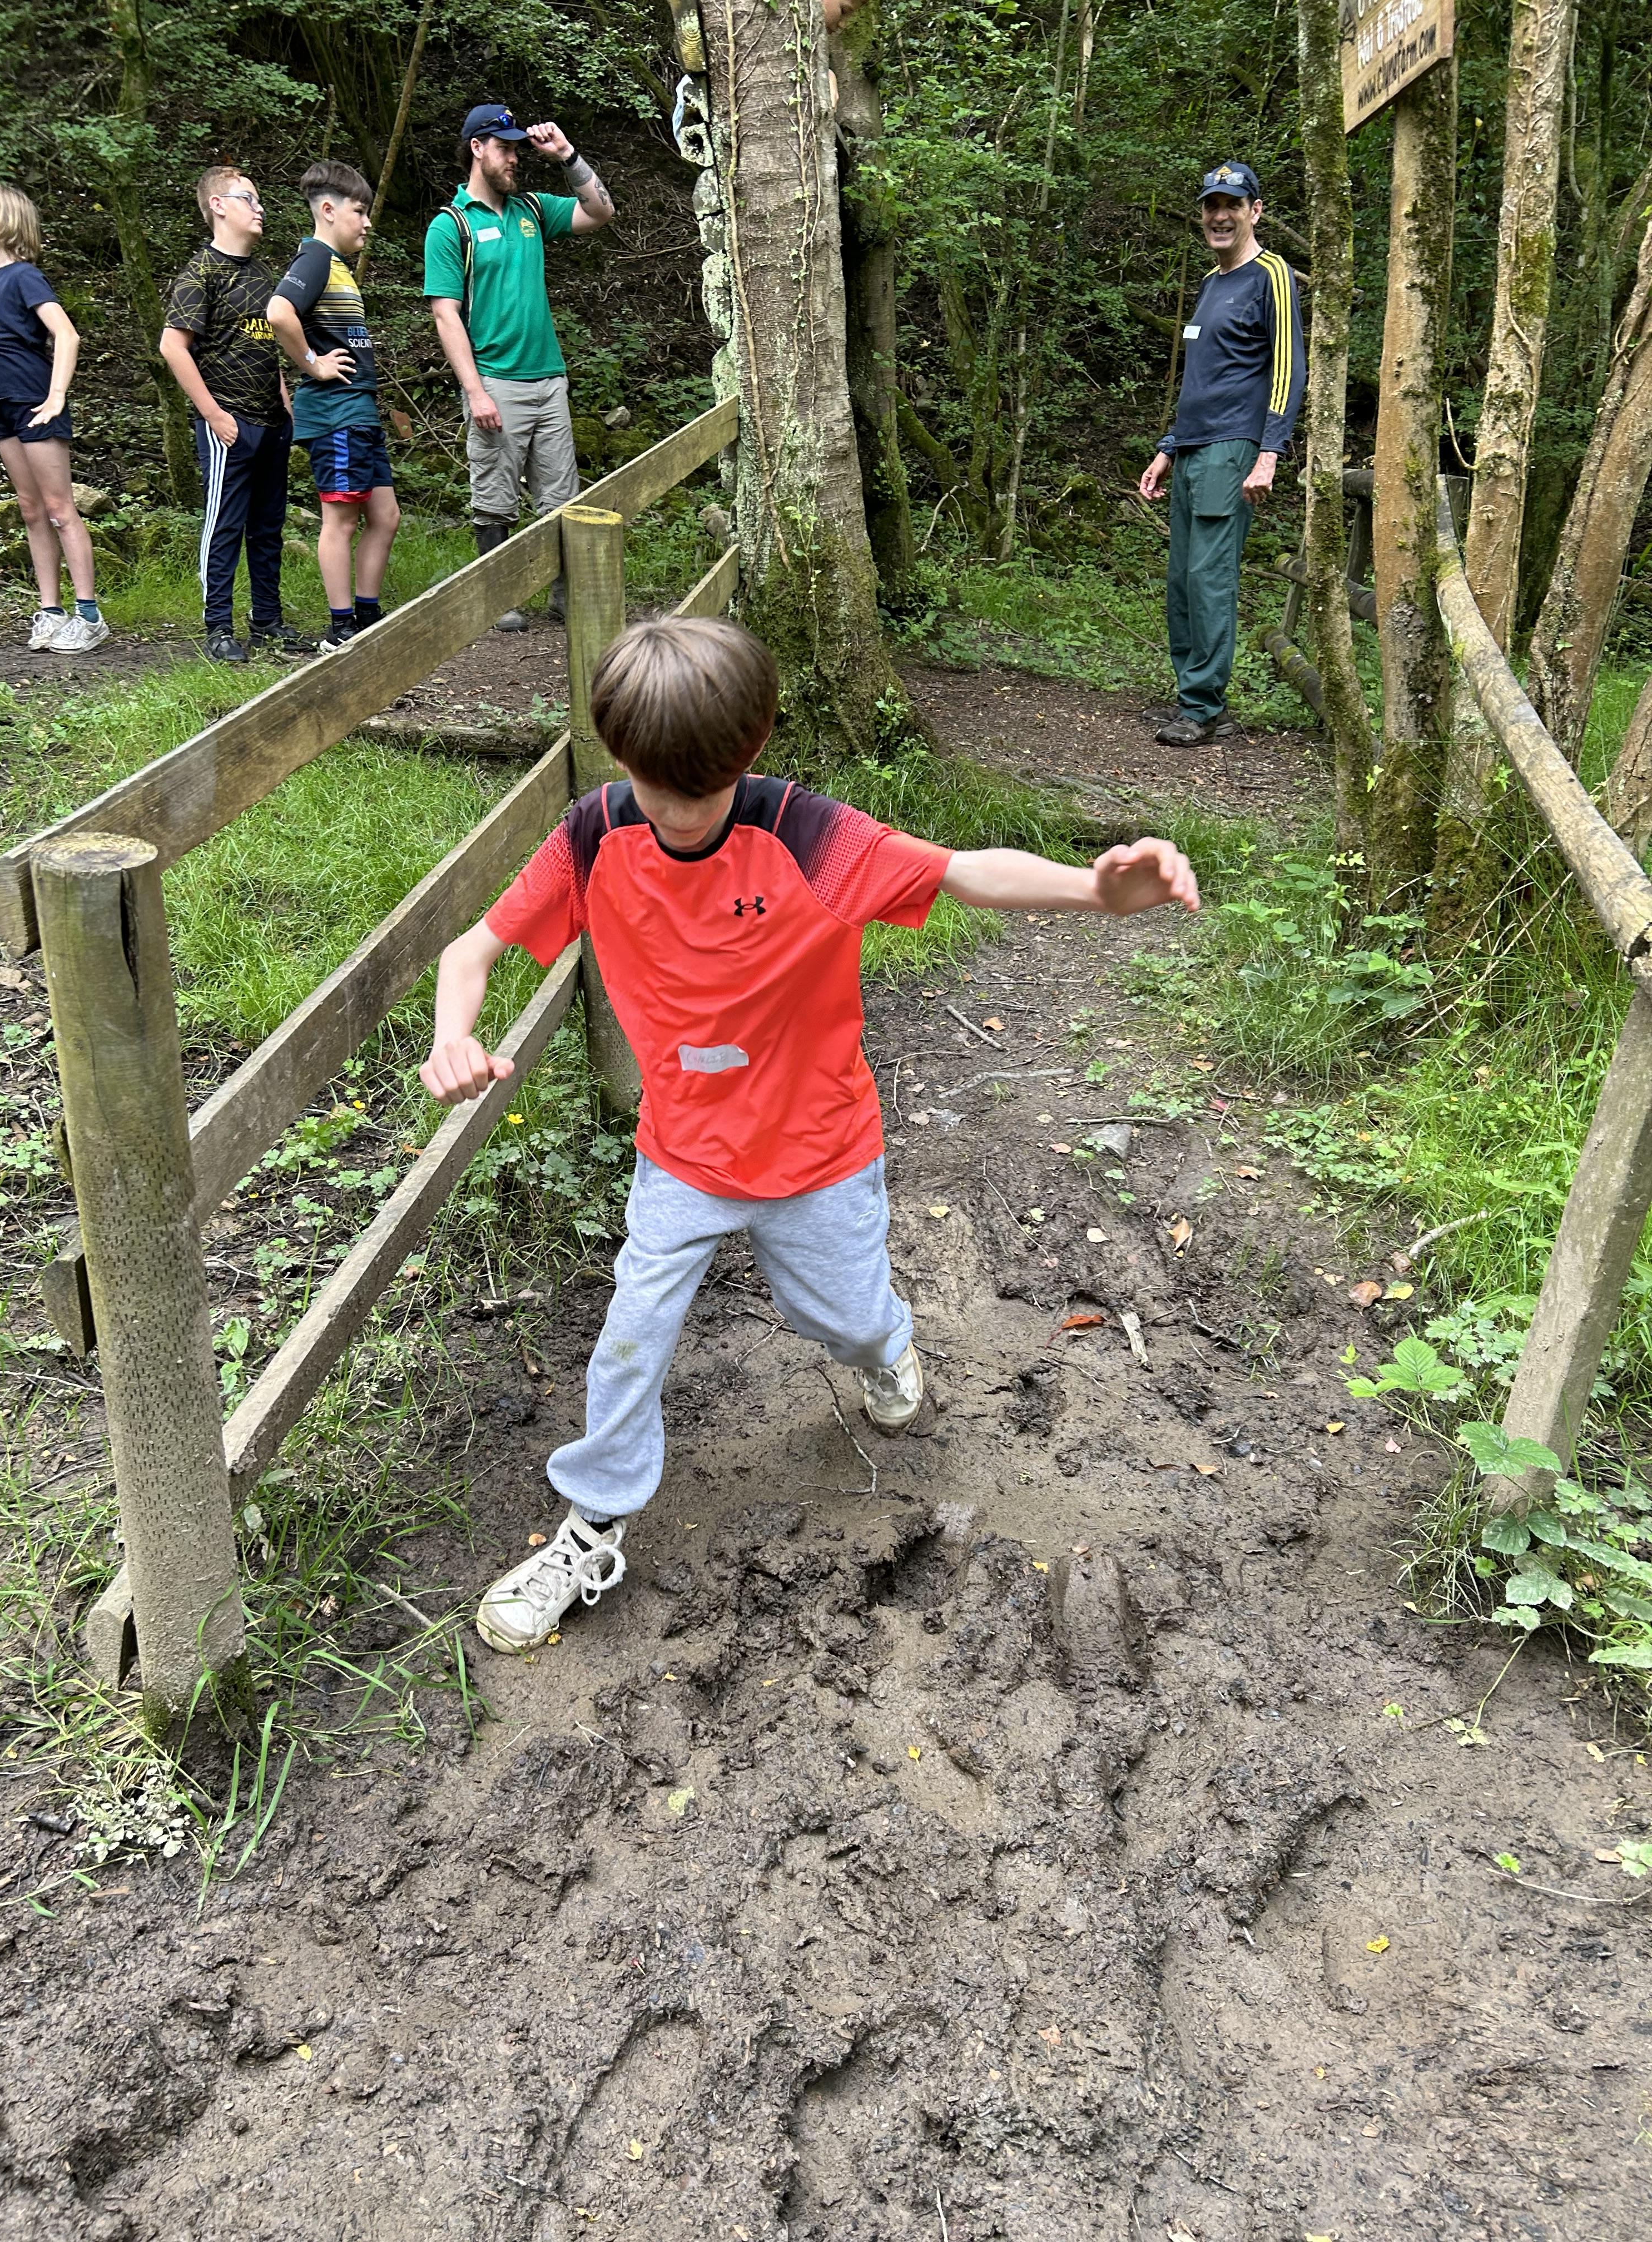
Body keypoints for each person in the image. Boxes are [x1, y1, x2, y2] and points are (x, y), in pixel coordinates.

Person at [419, 616, 1200, 1654]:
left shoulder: (807, 835)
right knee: (628, 1341)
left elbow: (962, 870)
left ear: (749, 751)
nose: (674, 815)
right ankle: (592, 1524)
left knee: (845, 1320)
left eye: (699, 794)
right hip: (681, 1156)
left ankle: (886, 1354)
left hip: (818, 1154)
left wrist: (1097, 893)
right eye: (654, 789)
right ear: (616, 752)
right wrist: (454, 1037)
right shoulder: (594, 834)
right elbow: (470, 952)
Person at [424, 102, 616, 631]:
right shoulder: (451, 226)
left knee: (561, 496)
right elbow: (446, 315)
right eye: (505, 149)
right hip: (496, 380)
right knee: (495, 496)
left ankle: (565, 596)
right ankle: (499, 597)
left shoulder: (531, 209)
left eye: (517, 149)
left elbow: (600, 213)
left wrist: (567, 155)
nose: (514, 158)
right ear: (477, 149)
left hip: (548, 377)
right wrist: (476, 391)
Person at [1138, 161, 1305, 749]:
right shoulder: (1211, 284)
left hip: (1232, 449)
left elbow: (1288, 369)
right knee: (1183, 582)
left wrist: (1269, 454)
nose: (1220, 216)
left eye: (1232, 205)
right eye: (1212, 206)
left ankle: (1203, 708)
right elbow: (1199, 380)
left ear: (1255, 211)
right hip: (1192, 451)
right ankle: (1197, 699)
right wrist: (1168, 448)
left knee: (1209, 580)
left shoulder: (1271, 275)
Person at [160, 166, 308, 663]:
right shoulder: (200, 273)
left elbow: (266, 346)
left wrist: (286, 404)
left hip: (272, 423)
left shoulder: (264, 276)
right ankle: (218, 628)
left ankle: (267, 622)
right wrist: (214, 415)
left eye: (259, 199)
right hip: (229, 425)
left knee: (268, 528)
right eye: (249, 198)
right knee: (224, 526)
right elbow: (173, 347)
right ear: (219, 206)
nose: (259, 208)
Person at [267, 160, 399, 651]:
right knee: (341, 520)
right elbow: (279, 312)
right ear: (328, 210)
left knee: (386, 516)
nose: (368, 222)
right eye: (359, 212)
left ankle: (367, 615)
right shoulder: (316, 259)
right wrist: (312, 363)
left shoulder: (338, 265)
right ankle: (341, 630)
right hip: (336, 413)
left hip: (358, 411)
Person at [0, 183, 108, 653]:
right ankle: (50, 611)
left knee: (59, 509)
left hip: (33, 401)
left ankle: (89, 615)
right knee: (30, 509)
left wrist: (56, 397)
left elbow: (67, 336)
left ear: (3, 221)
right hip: (1, 407)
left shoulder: (26, 277)